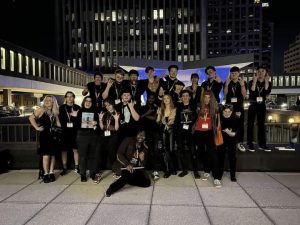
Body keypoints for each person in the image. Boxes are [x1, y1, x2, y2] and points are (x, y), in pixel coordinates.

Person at [106, 131, 151, 197]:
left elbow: (142, 166)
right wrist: (127, 164)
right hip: (123, 166)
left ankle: (126, 180)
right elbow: (119, 154)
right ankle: (111, 189)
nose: (141, 137)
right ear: (136, 134)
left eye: (143, 135)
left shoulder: (145, 147)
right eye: (139, 135)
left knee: (147, 183)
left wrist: (142, 160)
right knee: (129, 174)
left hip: (135, 168)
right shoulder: (128, 140)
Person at [29, 95, 61, 183]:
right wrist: (37, 128)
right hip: (44, 136)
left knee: (53, 155)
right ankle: (46, 174)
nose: (47, 101)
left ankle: (51, 172)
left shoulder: (54, 112)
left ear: (53, 102)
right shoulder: (41, 109)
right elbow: (31, 118)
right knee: (46, 155)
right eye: (46, 100)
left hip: (53, 136)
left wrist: (57, 120)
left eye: (49, 100)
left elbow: (59, 125)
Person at [194, 91, 221, 188]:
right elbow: (194, 117)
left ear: (211, 98)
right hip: (198, 131)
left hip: (209, 132)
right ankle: (206, 170)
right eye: (205, 97)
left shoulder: (215, 107)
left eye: (208, 97)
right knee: (201, 151)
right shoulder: (198, 105)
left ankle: (216, 177)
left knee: (212, 153)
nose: (206, 99)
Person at [247, 65, 272, 152]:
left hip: (262, 105)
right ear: (256, 73)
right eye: (259, 71)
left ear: (265, 73)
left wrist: (266, 82)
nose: (260, 73)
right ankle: (250, 144)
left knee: (261, 125)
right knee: (250, 124)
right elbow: (252, 91)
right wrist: (254, 81)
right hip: (253, 104)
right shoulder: (251, 82)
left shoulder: (268, 83)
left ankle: (262, 144)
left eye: (263, 71)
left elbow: (266, 92)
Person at [74, 96, 99, 182]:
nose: (88, 103)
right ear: (84, 102)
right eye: (86, 101)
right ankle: (83, 174)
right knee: (83, 157)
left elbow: (97, 126)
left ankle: (92, 173)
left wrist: (96, 124)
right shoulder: (79, 111)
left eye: (90, 101)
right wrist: (75, 117)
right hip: (82, 135)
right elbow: (75, 126)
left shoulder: (95, 112)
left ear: (92, 103)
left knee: (92, 156)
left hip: (93, 135)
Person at [175, 90, 199, 178]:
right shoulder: (178, 106)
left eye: (187, 95)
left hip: (191, 132)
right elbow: (176, 119)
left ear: (189, 97)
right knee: (181, 151)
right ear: (181, 97)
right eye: (183, 96)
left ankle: (196, 171)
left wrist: (192, 127)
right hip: (180, 132)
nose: (185, 97)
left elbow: (196, 118)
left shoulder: (193, 106)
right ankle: (184, 170)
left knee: (193, 151)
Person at [223, 66, 247, 152]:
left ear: (238, 74)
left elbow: (244, 95)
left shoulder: (242, 82)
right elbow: (225, 94)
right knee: (228, 125)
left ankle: (239, 143)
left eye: (235, 73)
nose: (233, 75)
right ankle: (228, 143)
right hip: (228, 108)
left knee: (240, 126)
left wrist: (242, 86)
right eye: (232, 73)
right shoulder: (227, 82)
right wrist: (226, 85)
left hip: (239, 107)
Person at [96, 99, 120, 183]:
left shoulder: (117, 113)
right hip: (103, 136)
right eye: (106, 105)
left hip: (113, 136)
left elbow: (116, 128)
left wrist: (116, 120)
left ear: (113, 104)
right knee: (99, 153)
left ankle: (115, 170)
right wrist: (100, 119)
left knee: (112, 154)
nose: (107, 107)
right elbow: (102, 127)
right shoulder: (104, 113)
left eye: (109, 104)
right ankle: (97, 173)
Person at [58, 91, 81, 176]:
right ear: (65, 98)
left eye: (71, 96)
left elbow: (80, 121)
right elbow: (59, 119)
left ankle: (77, 167)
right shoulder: (62, 107)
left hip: (74, 131)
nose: (69, 98)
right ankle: (64, 168)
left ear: (74, 98)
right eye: (68, 96)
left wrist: (75, 117)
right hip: (64, 132)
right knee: (64, 150)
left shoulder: (77, 107)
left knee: (75, 150)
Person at [140, 94, 160, 181]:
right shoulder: (143, 107)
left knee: (155, 151)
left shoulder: (156, 107)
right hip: (145, 132)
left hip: (155, 132)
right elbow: (139, 118)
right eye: (150, 98)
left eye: (153, 98)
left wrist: (145, 115)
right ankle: (144, 170)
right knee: (146, 150)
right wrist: (147, 113)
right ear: (147, 99)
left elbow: (155, 118)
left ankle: (155, 171)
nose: (151, 99)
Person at [157, 94, 178, 178]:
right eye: (164, 98)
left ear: (170, 99)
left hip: (171, 130)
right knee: (165, 150)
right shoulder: (161, 109)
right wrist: (158, 114)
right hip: (163, 131)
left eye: (167, 98)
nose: (165, 100)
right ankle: (167, 170)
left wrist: (169, 123)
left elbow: (174, 121)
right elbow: (158, 121)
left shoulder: (174, 109)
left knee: (171, 150)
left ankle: (173, 168)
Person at [218, 104, 238, 182]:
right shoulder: (219, 119)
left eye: (229, 112)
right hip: (221, 141)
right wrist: (228, 131)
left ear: (231, 112)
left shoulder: (234, 119)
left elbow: (234, 133)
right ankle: (219, 175)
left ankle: (232, 176)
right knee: (221, 158)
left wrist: (229, 132)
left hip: (232, 141)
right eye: (225, 111)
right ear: (222, 111)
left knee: (232, 158)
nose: (227, 113)